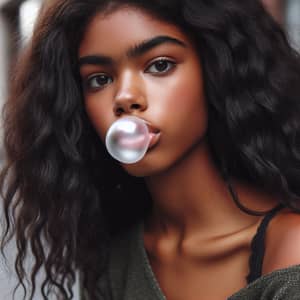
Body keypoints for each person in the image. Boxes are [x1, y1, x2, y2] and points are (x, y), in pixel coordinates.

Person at [1, 0, 300, 299]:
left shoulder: (290, 249)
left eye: (159, 65)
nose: (125, 97)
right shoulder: (115, 256)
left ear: (215, 69)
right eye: (100, 79)